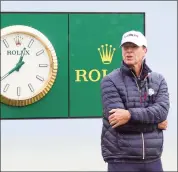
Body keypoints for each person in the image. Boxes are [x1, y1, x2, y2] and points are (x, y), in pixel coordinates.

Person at [100, 30, 170, 172]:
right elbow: (119, 124)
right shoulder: (110, 81)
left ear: (144, 50)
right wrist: (156, 125)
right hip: (121, 160)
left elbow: (162, 112)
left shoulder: (158, 79)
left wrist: (129, 115)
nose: (129, 51)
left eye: (134, 47)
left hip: (153, 159)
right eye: (126, 47)